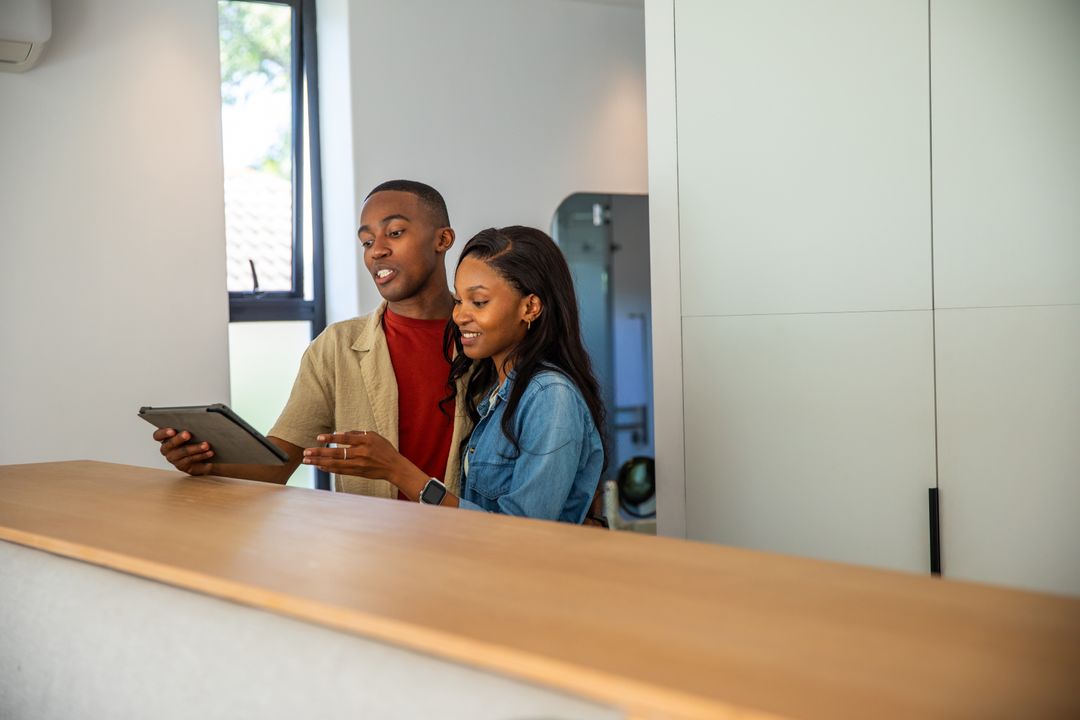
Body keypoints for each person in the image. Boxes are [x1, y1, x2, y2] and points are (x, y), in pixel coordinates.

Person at [154, 180, 470, 501]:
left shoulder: (490, 337)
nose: (377, 250)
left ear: (442, 239)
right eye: (366, 241)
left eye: (396, 233)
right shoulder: (337, 346)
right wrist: (208, 462)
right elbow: (278, 465)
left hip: (472, 541)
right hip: (373, 543)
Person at [307, 226, 606, 523]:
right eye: (460, 300)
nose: (459, 315)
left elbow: (524, 533)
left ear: (530, 307)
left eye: (479, 302)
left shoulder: (550, 395)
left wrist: (398, 471)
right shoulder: (496, 392)